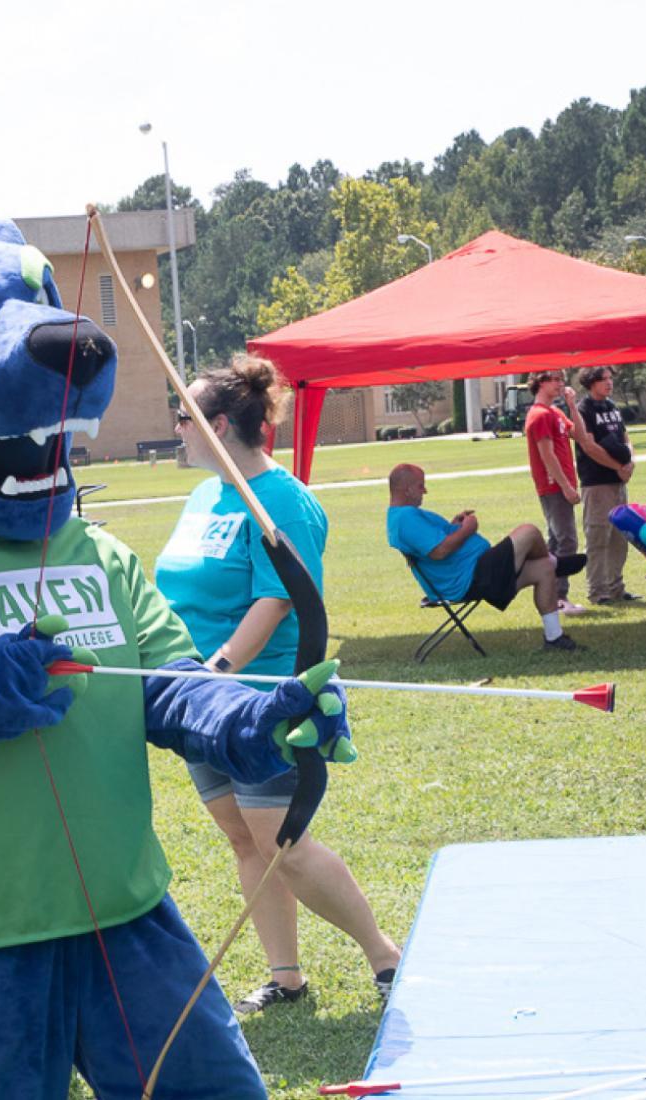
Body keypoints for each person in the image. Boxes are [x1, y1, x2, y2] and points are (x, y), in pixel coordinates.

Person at [155, 355, 401, 1013]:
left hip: (260, 700)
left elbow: (279, 599)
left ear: (223, 424)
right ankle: (285, 975)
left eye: (184, 416)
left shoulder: (285, 502)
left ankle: (385, 957)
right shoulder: (206, 493)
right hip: (199, 705)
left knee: (283, 845)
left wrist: (223, 668)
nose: (176, 428)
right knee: (244, 840)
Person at [387, 463, 585, 652]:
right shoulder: (405, 519)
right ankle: (557, 562)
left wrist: (454, 526)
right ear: (407, 489)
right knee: (529, 532)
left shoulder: (405, 516)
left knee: (544, 569)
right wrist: (467, 530)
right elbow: (439, 551)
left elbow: (435, 544)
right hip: (470, 578)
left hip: (476, 572)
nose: (425, 491)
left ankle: (554, 638)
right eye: (420, 485)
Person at [571, 366, 641, 604]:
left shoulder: (611, 407)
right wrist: (617, 467)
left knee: (620, 537)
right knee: (598, 536)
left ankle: (616, 588)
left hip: (618, 482)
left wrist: (629, 461)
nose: (609, 383)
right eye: (603, 379)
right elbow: (589, 446)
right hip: (597, 482)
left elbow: (625, 437)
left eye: (611, 378)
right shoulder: (583, 409)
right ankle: (598, 591)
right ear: (591, 383)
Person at [524, 370, 585, 615]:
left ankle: (551, 595)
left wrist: (572, 405)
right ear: (540, 383)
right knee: (566, 540)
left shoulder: (555, 413)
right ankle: (558, 597)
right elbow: (546, 455)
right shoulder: (539, 415)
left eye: (562, 379)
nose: (561, 384)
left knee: (557, 540)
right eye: (556, 380)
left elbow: (579, 435)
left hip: (561, 484)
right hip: (553, 486)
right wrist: (566, 486)